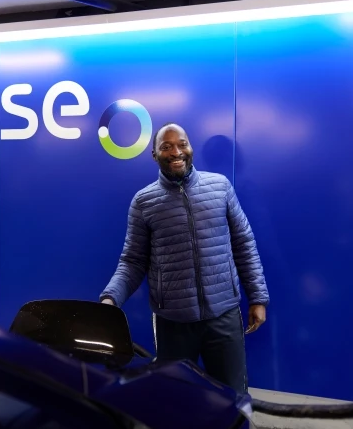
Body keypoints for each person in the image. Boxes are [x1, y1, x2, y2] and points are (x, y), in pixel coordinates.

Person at [99, 123, 269, 394]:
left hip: (223, 317)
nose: (176, 151)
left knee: (233, 397)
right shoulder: (144, 202)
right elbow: (132, 262)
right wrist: (110, 300)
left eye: (182, 144)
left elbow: (244, 243)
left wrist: (258, 297)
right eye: (166, 147)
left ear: (190, 149)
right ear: (155, 155)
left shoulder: (220, 187)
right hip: (173, 325)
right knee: (176, 398)